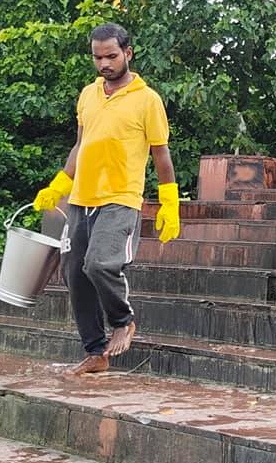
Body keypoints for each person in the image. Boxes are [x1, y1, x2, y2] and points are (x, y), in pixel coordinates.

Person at [32, 23, 181, 374]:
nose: (104, 64)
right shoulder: (88, 95)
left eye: (111, 56)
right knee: (74, 272)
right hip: (81, 199)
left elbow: (161, 154)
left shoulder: (148, 100)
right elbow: (80, 144)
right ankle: (96, 353)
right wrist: (60, 184)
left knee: (100, 264)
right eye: (97, 57)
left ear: (128, 53)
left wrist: (169, 201)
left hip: (120, 198)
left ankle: (123, 320)